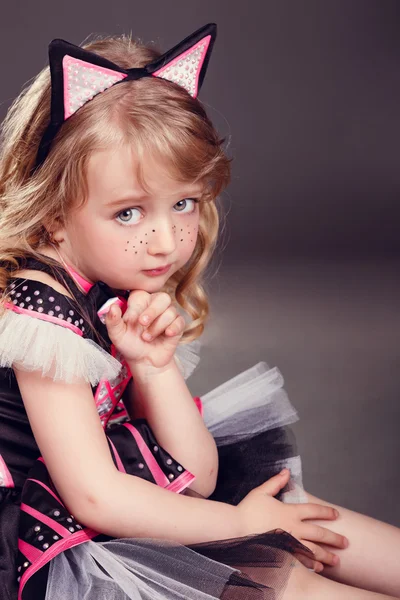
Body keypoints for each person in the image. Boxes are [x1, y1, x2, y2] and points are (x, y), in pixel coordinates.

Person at [0, 22, 398, 600]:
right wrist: (241, 527)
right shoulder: (42, 315)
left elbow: (196, 477)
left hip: (128, 503)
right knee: (282, 578)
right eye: (130, 213)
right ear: (55, 213)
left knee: (314, 523)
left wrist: (154, 369)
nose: (165, 240)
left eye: (183, 203)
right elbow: (96, 497)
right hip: (55, 543)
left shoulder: (113, 288)